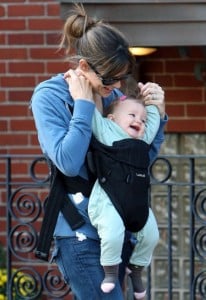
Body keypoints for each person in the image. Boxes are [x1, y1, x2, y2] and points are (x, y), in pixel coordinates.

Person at [31, 3, 168, 300]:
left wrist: (158, 114)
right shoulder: (50, 96)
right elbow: (68, 162)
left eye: (122, 77)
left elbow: (138, 161)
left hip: (119, 230)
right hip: (79, 233)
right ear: (83, 67)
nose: (117, 86)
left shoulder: (115, 98)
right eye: (109, 78)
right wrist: (82, 105)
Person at [65, 71, 160, 299]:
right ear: (113, 119)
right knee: (114, 233)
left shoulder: (142, 139)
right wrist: (82, 85)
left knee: (152, 234)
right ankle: (110, 272)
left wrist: (155, 104)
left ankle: (135, 269)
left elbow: (154, 120)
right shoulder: (106, 130)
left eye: (142, 118)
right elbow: (92, 112)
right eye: (132, 115)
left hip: (135, 204)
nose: (139, 120)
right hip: (107, 201)